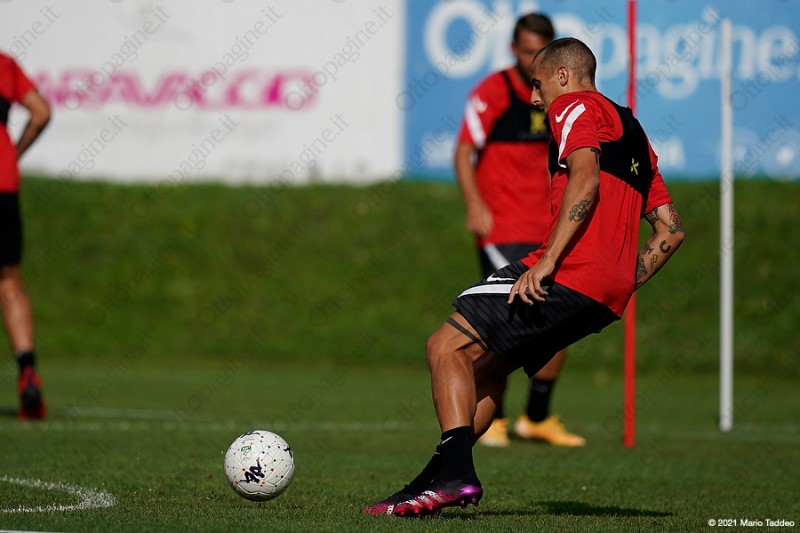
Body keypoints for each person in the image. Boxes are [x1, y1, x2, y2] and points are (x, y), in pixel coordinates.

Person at [363, 37, 684, 517]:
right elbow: (671, 230)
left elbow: (585, 178)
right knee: (490, 369)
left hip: (568, 272)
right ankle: (432, 481)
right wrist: (621, 278)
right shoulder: (634, 131)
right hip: (605, 296)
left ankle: (454, 476)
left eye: (538, 84)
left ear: (563, 76)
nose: (534, 98)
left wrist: (549, 260)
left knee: (445, 346)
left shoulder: (574, 106)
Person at [454, 12, 584, 448]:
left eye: (539, 53)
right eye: (526, 52)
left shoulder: (564, 103)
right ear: (513, 49)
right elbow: (464, 150)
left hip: (550, 231)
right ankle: (496, 418)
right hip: (503, 230)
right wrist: (475, 204)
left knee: (558, 321)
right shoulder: (493, 92)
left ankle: (537, 417)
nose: (532, 62)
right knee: (505, 322)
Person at [0, 51, 51, 419]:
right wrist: (13, 154)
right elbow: (41, 112)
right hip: (3, 184)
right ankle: (27, 371)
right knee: (9, 282)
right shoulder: (4, 63)